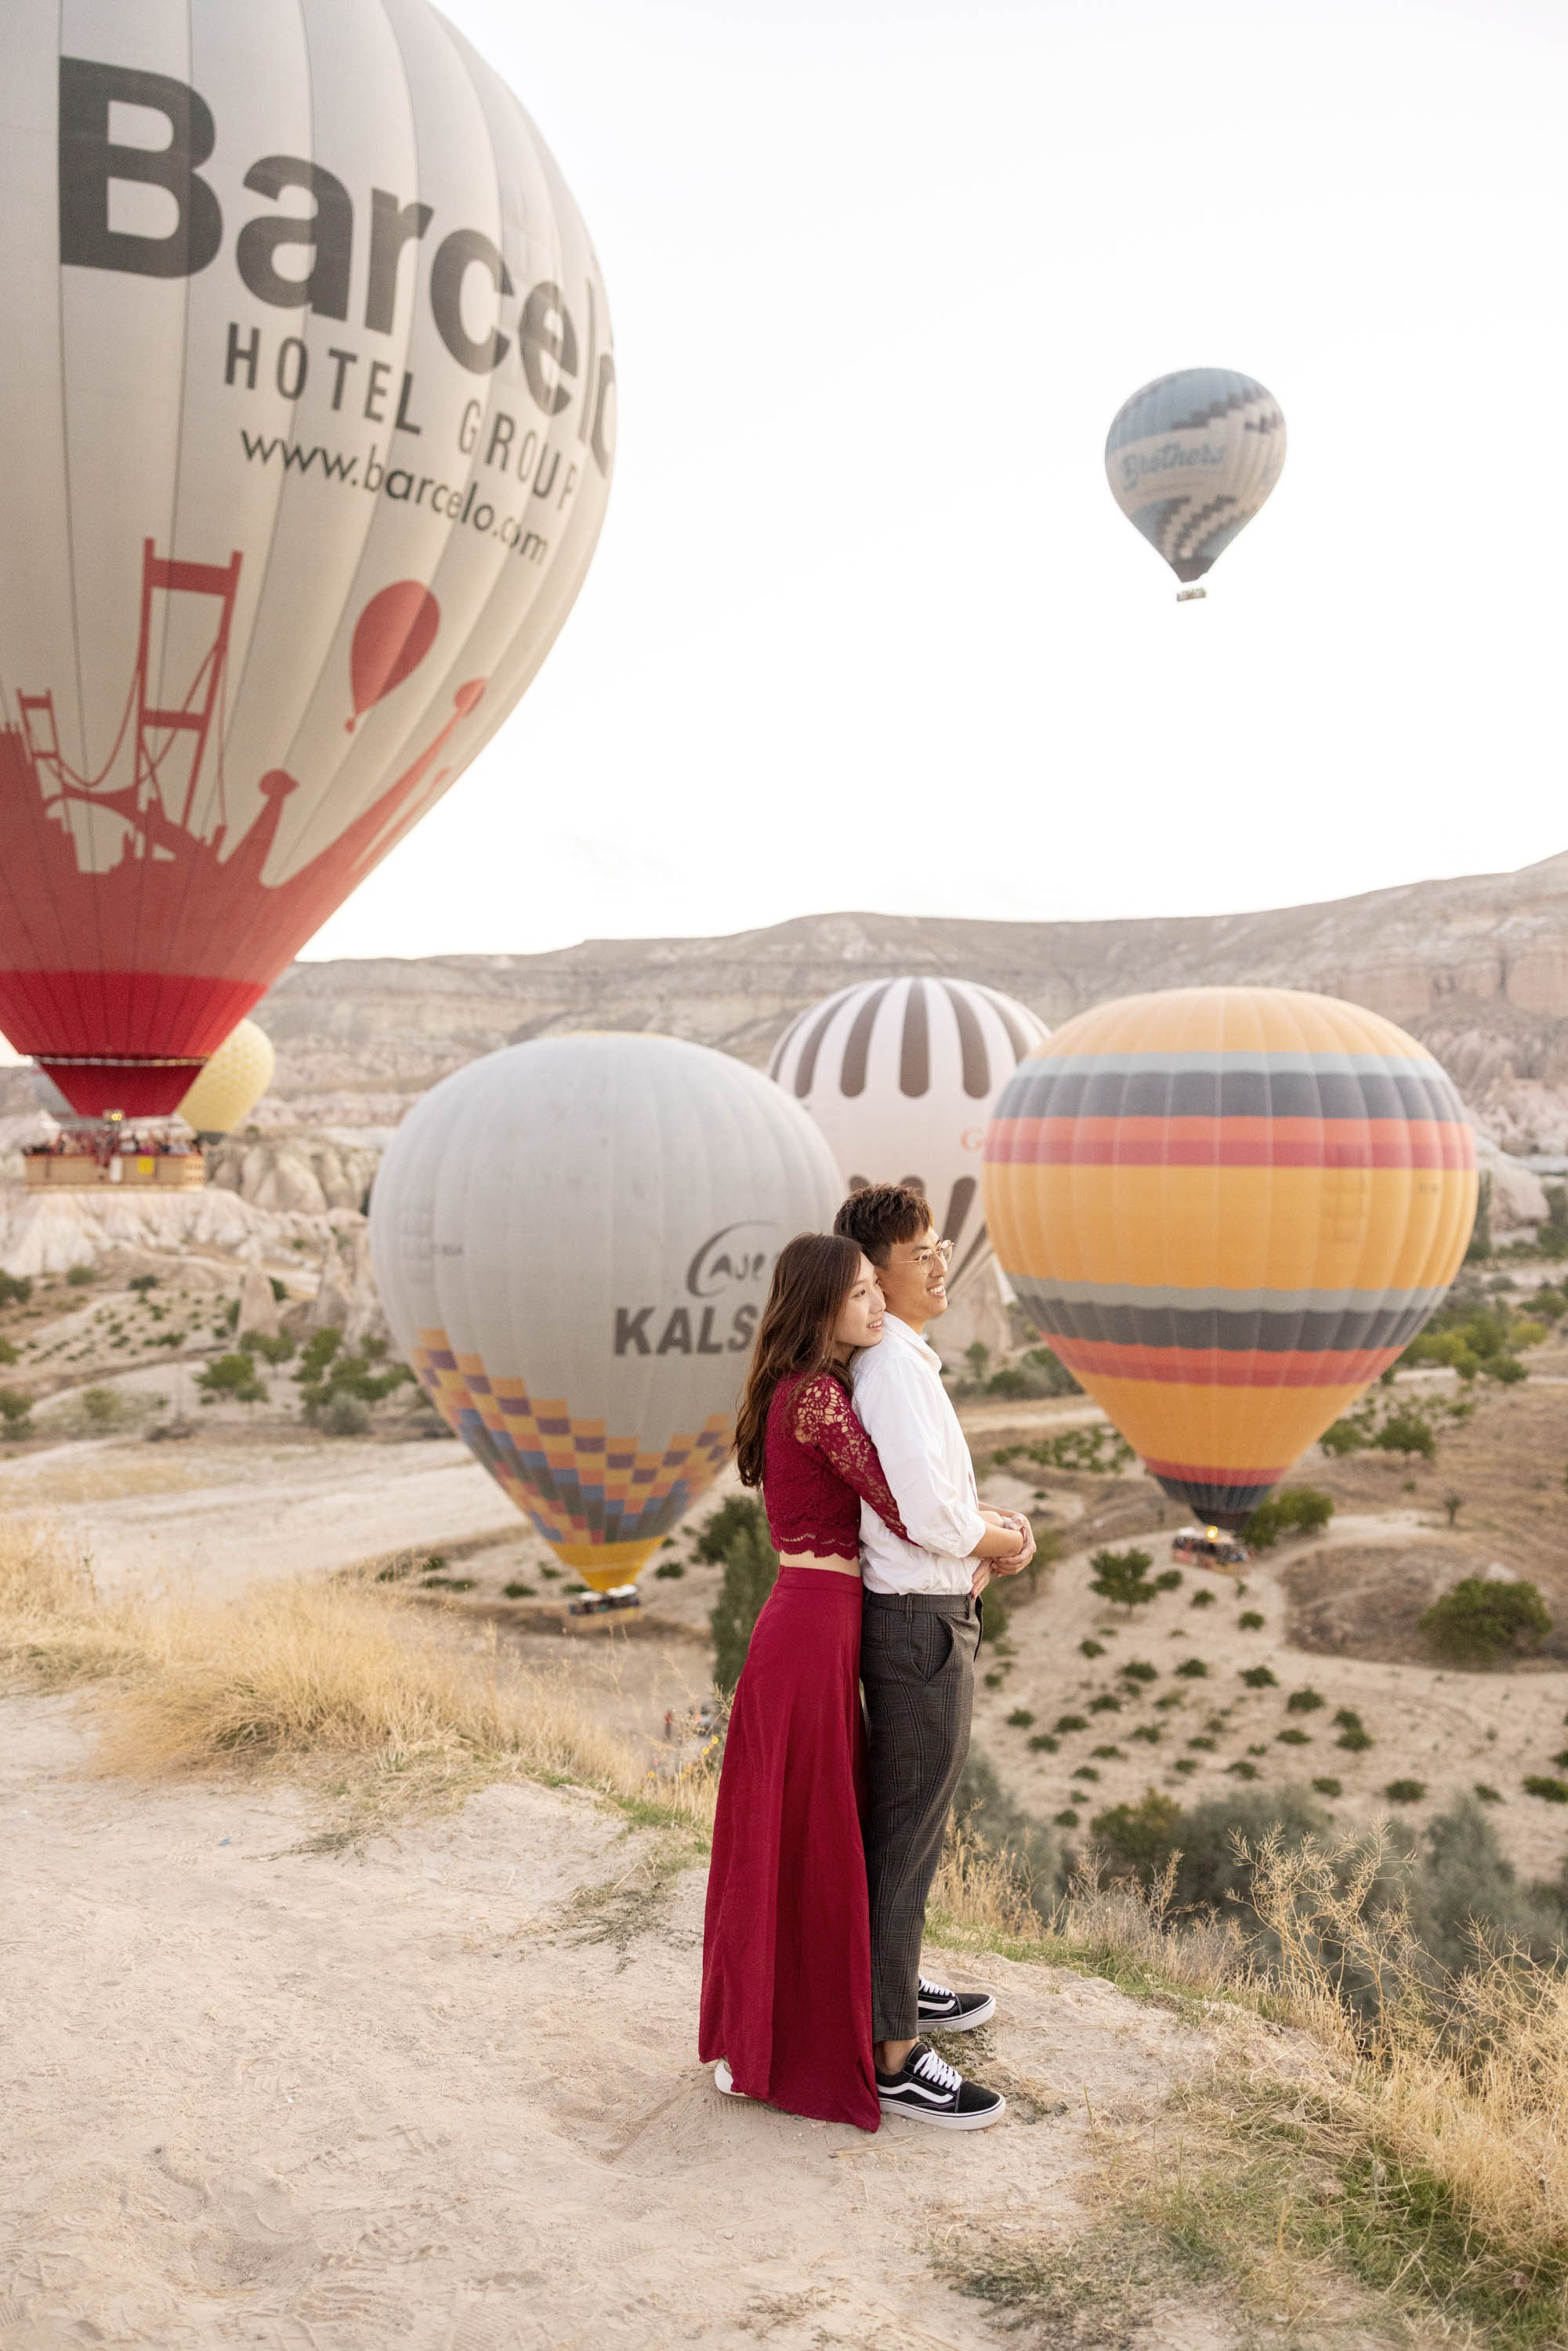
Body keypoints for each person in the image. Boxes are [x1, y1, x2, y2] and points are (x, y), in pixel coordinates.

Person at [834, 1183, 1034, 2130]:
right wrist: (996, 1541)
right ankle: (893, 2056)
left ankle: (896, 1991)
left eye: (942, 1245)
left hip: (930, 1610)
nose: (942, 1263)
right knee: (907, 1830)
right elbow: (930, 1515)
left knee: (915, 1822)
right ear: (875, 1275)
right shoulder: (895, 1376)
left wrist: (982, 1535)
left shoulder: (905, 1363)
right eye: (922, 1254)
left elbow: (937, 1510)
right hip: (919, 1625)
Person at [697, 1233, 902, 2128]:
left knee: (793, 1829)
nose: (878, 1304)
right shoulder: (818, 1397)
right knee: (809, 1831)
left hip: (808, 1624)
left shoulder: (800, 1392)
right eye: (861, 1293)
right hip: (814, 1627)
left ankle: (769, 2032)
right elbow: (897, 1499)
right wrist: (998, 1533)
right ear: (821, 1305)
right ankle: (790, 2046)